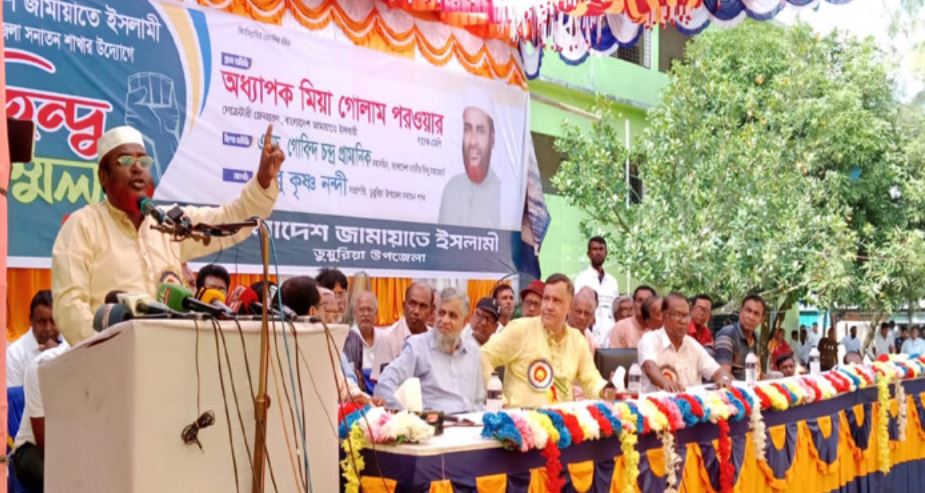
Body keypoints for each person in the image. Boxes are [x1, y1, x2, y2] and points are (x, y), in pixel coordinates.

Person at [52, 124, 283, 344]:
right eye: (125, 161)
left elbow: (230, 219)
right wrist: (107, 349)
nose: (137, 168)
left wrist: (263, 182)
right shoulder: (82, 225)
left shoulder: (170, 222)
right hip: (115, 360)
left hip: (173, 353)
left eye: (144, 161)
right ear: (103, 176)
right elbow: (69, 306)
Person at [481, 274, 611, 407]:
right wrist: (499, 400)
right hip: (520, 417)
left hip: (562, 417)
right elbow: (484, 355)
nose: (549, 306)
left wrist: (606, 390)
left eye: (556, 300)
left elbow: (591, 379)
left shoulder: (577, 340)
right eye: (546, 298)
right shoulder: (520, 329)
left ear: (570, 307)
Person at [375, 288, 484, 413]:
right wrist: (404, 415)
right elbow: (385, 382)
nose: (444, 320)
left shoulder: (473, 353)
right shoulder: (418, 347)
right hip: (437, 422)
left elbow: (479, 401)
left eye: (452, 316)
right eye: (441, 313)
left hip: (471, 421)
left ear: (464, 322)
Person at [281, 276, 381, 405]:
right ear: (313, 312)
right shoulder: (321, 350)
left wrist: (368, 400)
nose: (332, 320)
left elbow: (347, 387)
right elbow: (344, 388)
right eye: (325, 311)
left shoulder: (277, 345)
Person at [637, 293, 731, 393]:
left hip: (692, 401)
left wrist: (723, 379)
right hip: (658, 401)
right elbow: (650, 367)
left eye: (686, 316)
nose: (684, 321)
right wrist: (666, 383)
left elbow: (718, 372)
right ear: (665, 316)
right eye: (678, 315)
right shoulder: (650, 339)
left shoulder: (693, 345)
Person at [12, 344, 69, 492]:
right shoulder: (42, 366)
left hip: (73, 445)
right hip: (31, 448)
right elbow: (44, 441)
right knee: (65, 480)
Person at [437, 105, 501, 229]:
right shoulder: (451, 188)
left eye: (481, 131)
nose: (473, 141)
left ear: (492, 139)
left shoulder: (502, 194)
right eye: (467, 130)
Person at [371, 282, 434, 380]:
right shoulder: (387, 338)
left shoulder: (436, 339)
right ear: (404, 306)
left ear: (431, 311)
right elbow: (381, 382)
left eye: (422, 306)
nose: (416, 311)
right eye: (412, 304)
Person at [7, 291, 69, 388]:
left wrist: (60, 356)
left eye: (53, 321)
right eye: (41, 322)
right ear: (31, 320)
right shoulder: (14, 355)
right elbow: (14, 396)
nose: (48, 328)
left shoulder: (71, 344)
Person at [573, 236, 619, 344]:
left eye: (601, 249)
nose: (598, 252)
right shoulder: (581, 279)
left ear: (606, 253)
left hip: (610, 339)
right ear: (588, 254)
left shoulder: (612, 282)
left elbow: (615, 311)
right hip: (587, 337)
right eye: (594, 249)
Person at [714, 294, 765, 381]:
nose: (751, 317)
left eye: (756, 314)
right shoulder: (727, 333)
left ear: (761, 319)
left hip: (752, 384)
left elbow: (758, 372)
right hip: (733, 387)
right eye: (748, 311)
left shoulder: (756, 337)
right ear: (740, 312)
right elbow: (724, 375)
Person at [343, 292, 380, 391]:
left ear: (376, 314)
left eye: (369, 310)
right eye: (362, 310)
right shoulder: (347, 339)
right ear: (355, 314)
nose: (366, 314)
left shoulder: (384, 338)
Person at [568, 288, 599, 352]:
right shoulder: (558, 333)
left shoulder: (592, 342)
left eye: (586, 313)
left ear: (592, 317)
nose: (582, 317)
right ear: (569, 310)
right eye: (578, 311)